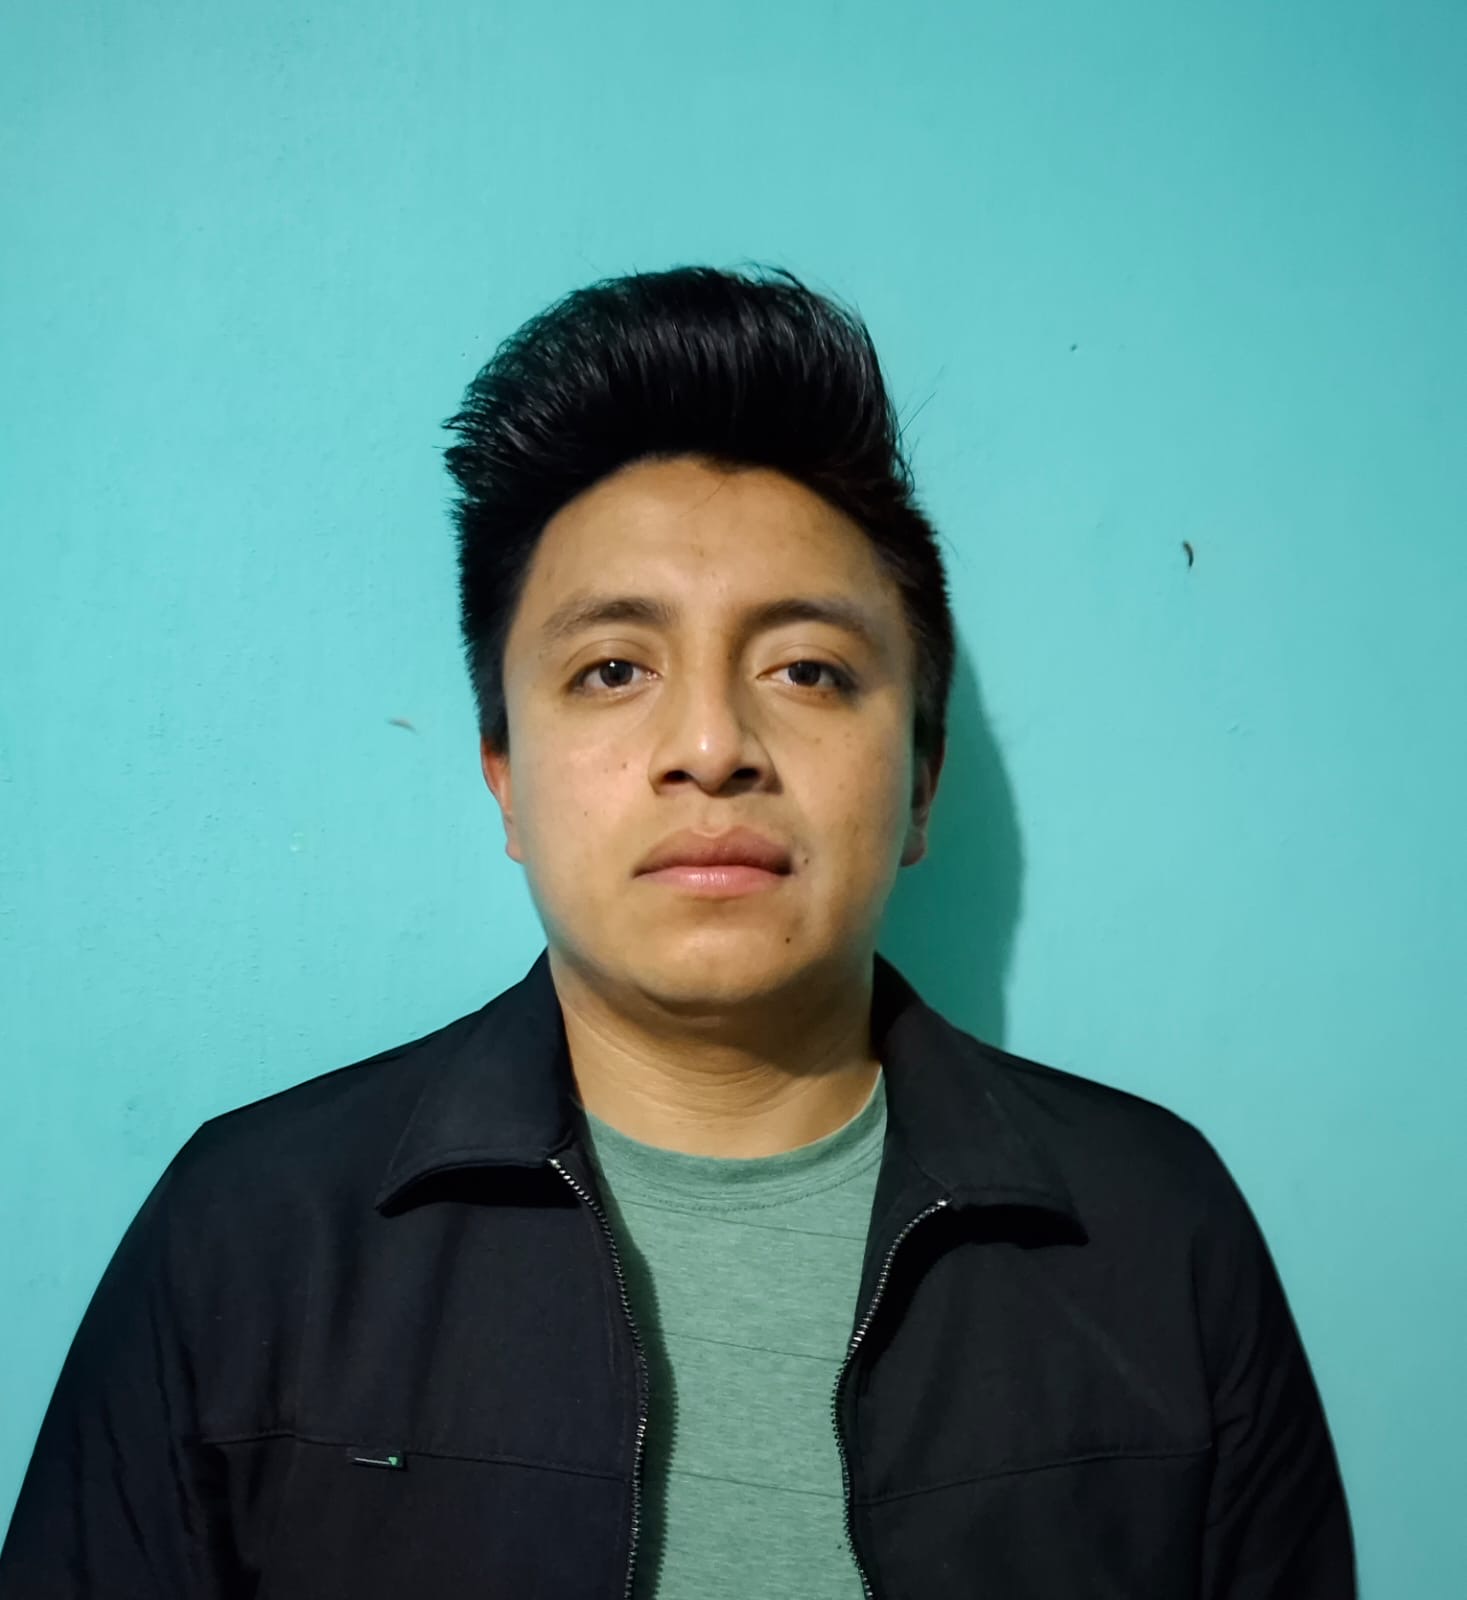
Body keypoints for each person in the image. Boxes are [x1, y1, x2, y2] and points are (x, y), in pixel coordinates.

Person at [0, 264, 1355, 1598]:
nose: (711, 745)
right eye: (613, 669)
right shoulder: (249, 1236)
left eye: (807, 670)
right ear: (505, 777)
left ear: (921, 784)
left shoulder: (1155, 1232)